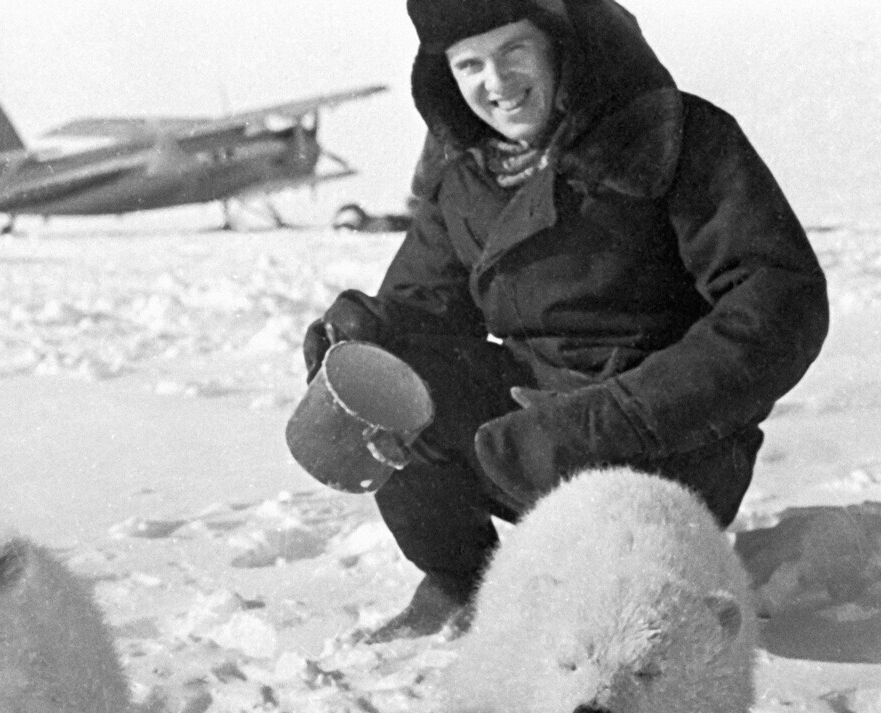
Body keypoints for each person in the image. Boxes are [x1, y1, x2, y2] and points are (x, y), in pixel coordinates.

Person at [302, 0, 828, 643]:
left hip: (665, 446)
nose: (495, 83)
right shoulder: (466, 172)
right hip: (528, 439)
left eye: (513, 52)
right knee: (395, 372)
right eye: (470, 64)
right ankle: (459, 581)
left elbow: (778, 303)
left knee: (611, 628)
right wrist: (363, 334)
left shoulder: (674, 136)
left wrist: (612, 418)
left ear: (559, 47)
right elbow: (425, 309)